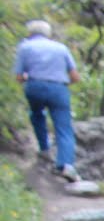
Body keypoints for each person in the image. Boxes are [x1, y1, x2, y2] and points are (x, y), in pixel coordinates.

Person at [13, 20, 81, 182]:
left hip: (34, 86)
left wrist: (31, 78)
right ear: (48, 33)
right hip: (58, 88)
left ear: (30, 33)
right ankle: (66, 165)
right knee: (64, 126)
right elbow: (75, 77)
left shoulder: (25, 47)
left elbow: (19, 76)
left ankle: (44, 149)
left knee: (36, 114)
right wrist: (61, 84)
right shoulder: (61, 48)